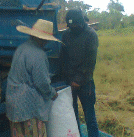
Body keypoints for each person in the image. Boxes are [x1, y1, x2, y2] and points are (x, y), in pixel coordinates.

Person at [6, 19, 60, 137]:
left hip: (14, 101)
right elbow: (42, 83)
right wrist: (52, 93)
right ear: (43, 39)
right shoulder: (39, 54)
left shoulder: (22, 48)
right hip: (28, 105)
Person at [59, 9, 99, 137]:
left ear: (81, 23)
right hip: (70, 82)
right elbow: (63, 58)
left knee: (90, 118)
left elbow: (90, 62)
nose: (73, 28)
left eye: (75, 26)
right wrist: (68, 79)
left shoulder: (91, 35)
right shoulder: (66, 35)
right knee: (72, 116)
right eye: (70, 26)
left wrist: (78, 80)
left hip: (85, 82)